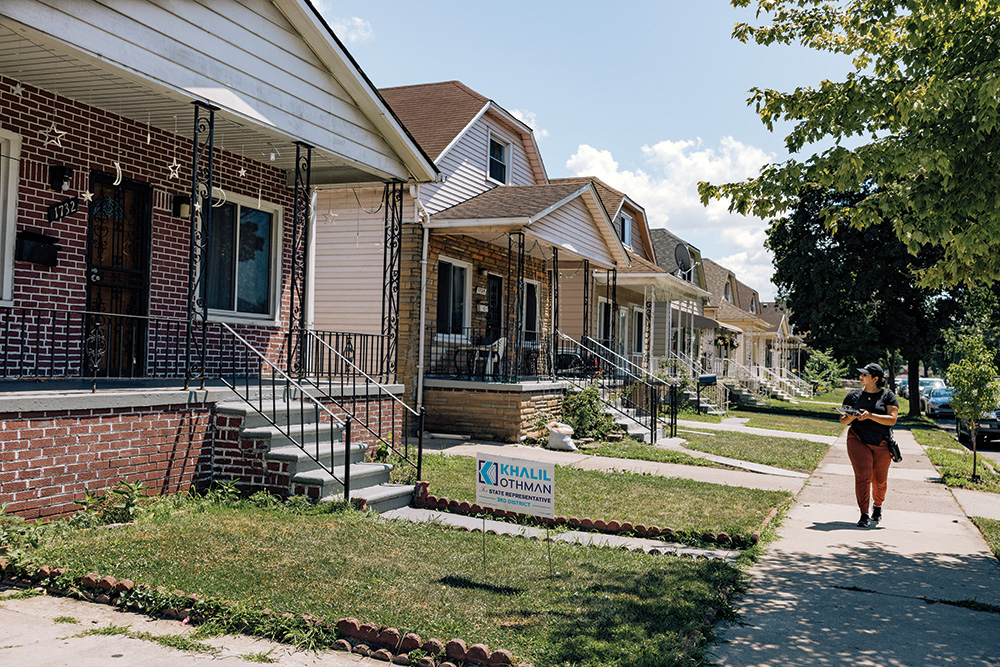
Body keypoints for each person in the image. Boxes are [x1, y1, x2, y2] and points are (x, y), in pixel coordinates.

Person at [839, 363, 899, 527]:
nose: (861, 377)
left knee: (879, 481)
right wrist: (852, 416)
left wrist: (870, 416)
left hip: (882, 441)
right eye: (861, 374)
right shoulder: (853, 396)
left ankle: (877, 506)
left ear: (875, 378)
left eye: (865, 375)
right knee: (863, 476)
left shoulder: (888, 396)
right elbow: (843, 419)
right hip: (858, 439)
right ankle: (864, 514)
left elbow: (892, 419)